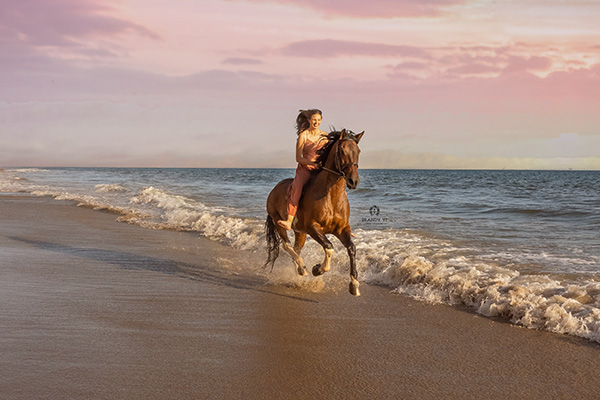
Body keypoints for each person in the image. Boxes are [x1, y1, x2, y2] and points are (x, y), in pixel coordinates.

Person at [277, 109, 328, 230]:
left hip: (320, 169)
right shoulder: (303, 136)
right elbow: (298, 158)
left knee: (338, 188)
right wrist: (312, 164)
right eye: (314, 120)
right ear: (309, 120)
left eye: (319, 120)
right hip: (305, 169)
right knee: (297, 188)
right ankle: (289, 220)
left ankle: (344, 224)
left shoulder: (325, 136)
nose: (316, 122)